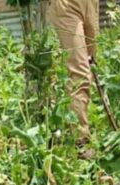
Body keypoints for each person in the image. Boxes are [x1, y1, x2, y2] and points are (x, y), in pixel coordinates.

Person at [49, 0, 99, 156]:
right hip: (67, 5)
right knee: (80, 73)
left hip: (91, 3)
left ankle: (70, 123)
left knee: (91, 64)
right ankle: (81, 142)